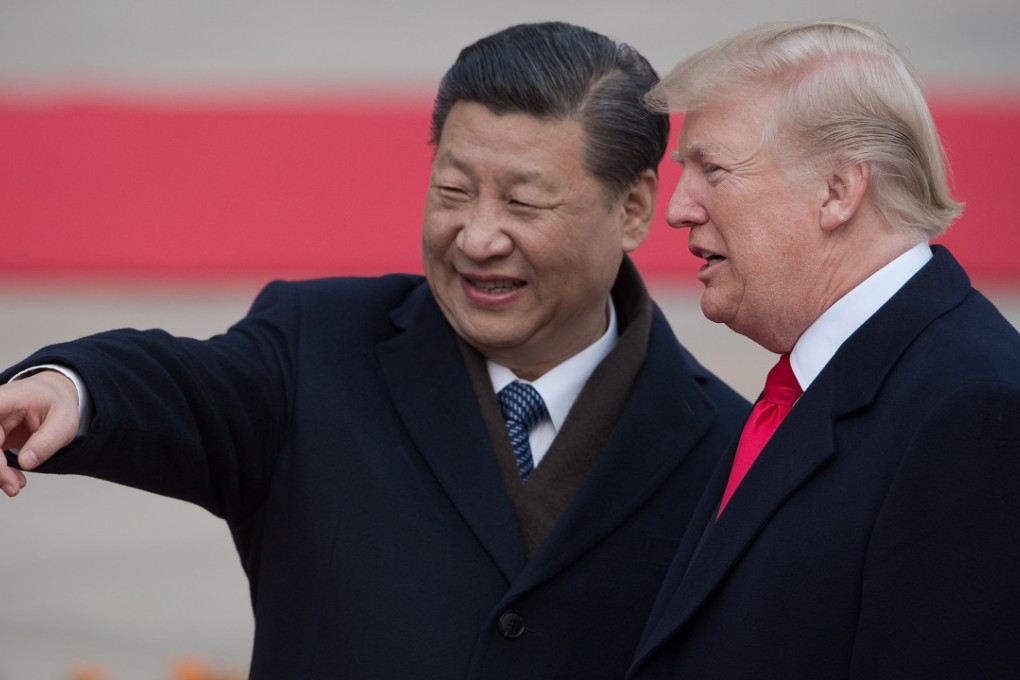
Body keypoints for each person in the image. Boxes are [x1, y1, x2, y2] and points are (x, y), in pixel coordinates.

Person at [0, 22, 749, 680]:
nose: (479, 237)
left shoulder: (728, 447)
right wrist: (72, 388)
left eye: (523, 202)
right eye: (453, 191)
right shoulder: (318, 346)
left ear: (634, 207)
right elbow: (187, 385)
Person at [626, 18, 1020, 679]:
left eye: (713, 170)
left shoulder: (973, 411)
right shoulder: (822, 383)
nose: (679, 209)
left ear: (839, 190)